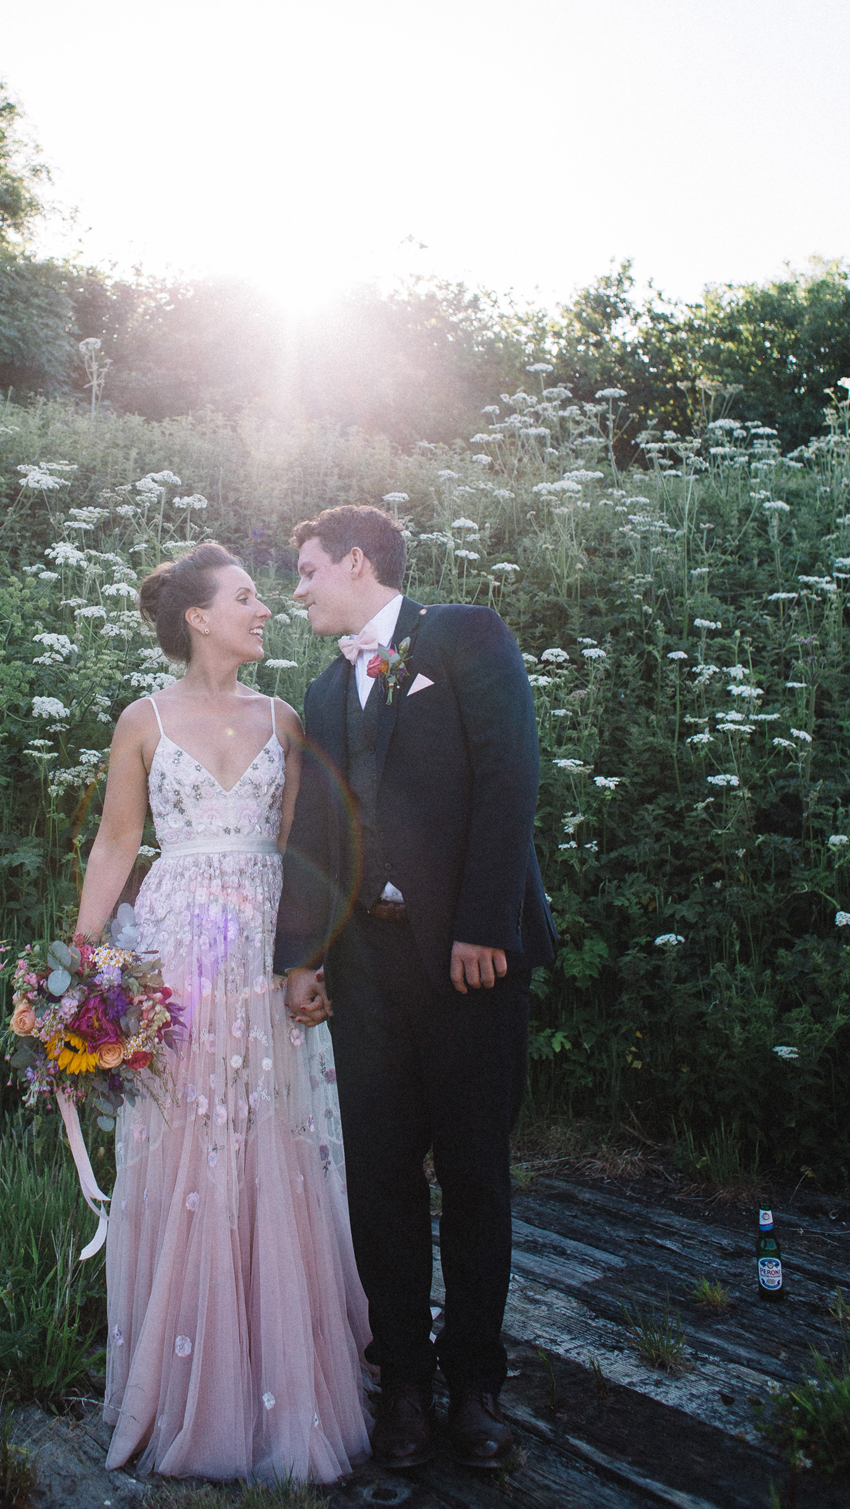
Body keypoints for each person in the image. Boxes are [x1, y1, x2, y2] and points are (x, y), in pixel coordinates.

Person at [71, 542, 372, 1481]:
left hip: (263, 952)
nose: (266, 608)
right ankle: (184, 1386)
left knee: (273, 1139)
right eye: (246, 596)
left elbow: (304, 849)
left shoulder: (287, 718)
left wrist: (306, 955)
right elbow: (118, 843)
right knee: (185, 1141)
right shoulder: (143, 719)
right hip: (175, 953)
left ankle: (282, 1381)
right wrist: (80, 971)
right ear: (198, 617)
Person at [274, 505, 556, 1472]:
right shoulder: (321, 688)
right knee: (380, 1176)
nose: (298, 588)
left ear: (358, 563)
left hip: (469, 956)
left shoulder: (463, 634)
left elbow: (510, 776)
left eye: (308, 570)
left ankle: (475, 1386)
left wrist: (488, 923)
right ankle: (400, 1382)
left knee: (476, 1174)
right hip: (367, 967)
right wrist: (302, 957)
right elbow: (316, 834)